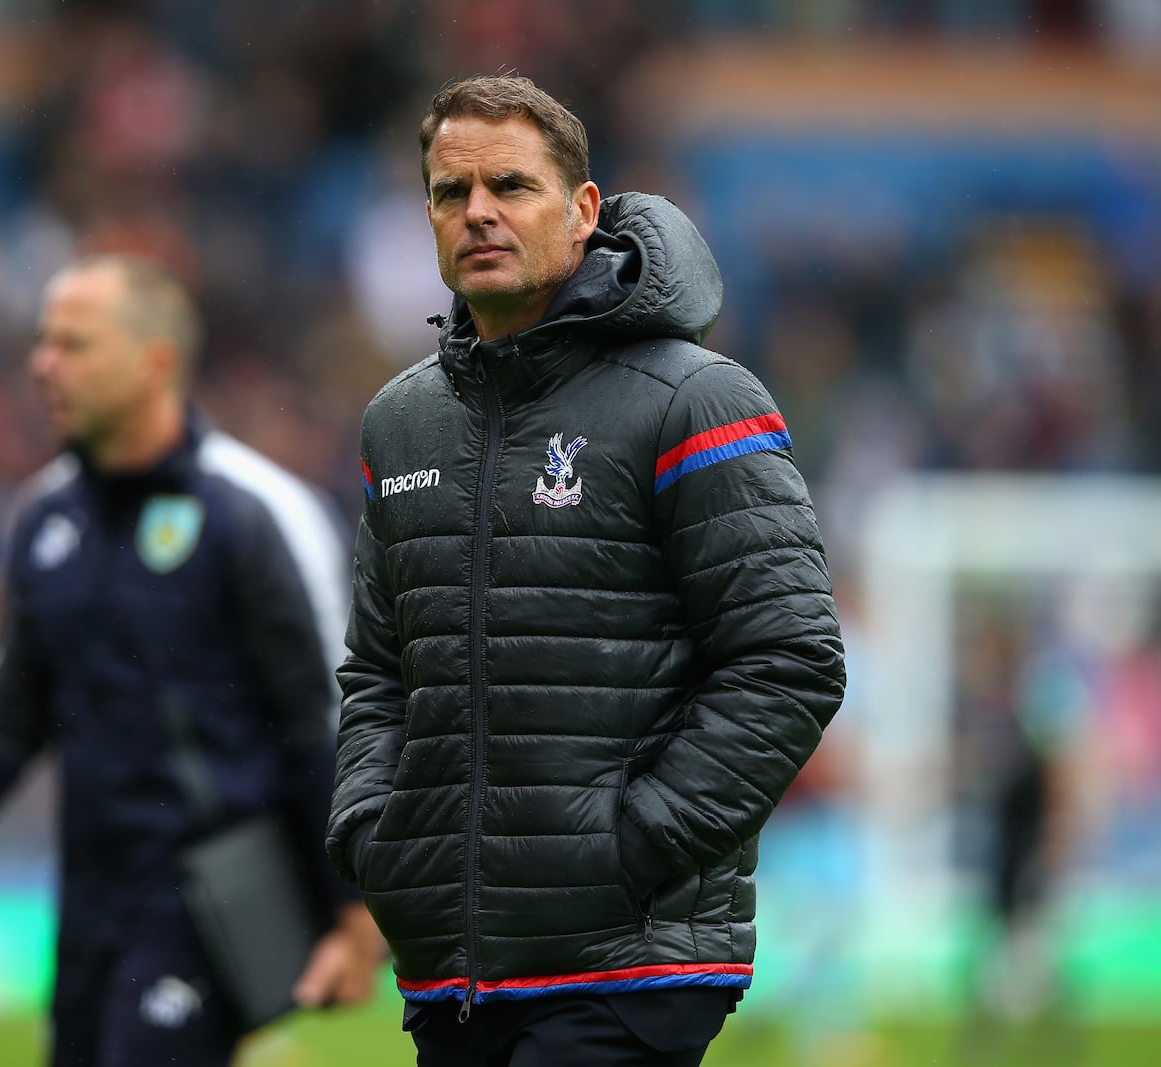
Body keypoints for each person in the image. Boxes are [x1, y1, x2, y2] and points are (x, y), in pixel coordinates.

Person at [326, 75, 847, 1066]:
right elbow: (376, 671)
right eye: (449, 193)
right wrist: (374, 831)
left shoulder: (694, 397)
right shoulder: (399, 421)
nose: (477, 212)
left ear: (584, 209)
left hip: (622, 962)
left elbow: (789, 657)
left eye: (510, 186)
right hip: (455, 965)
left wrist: (633, 843)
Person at [0, 254, 385, 1067]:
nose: (42, 364)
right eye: (42, 341)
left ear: (154, 361)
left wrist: (355, 908)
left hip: (211, 892)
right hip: (89, 895)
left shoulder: (252, 513)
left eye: (72, 344)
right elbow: (11, 713)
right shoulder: (45, 518)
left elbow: (327, 724)